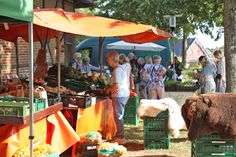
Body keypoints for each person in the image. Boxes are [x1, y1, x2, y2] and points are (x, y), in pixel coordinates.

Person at [105, 51, 130, 145]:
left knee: (118, 116)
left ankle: (121, 137)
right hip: (122, 94)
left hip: (120, 95)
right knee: (118, 116)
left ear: (112, 59)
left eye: (108, 58)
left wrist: (108, 90)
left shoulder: (117, 70)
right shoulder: (119, 68)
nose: (107, 60)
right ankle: (119, 134)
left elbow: (117, 85)